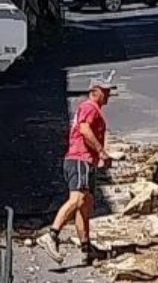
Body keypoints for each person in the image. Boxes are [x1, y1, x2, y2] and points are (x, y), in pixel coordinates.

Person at [37, 79, 115, 264]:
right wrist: (101, 151)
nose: (109, 95)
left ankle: (86, 247)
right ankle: (52, 235)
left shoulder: (92, 109)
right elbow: (85, 129)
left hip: (85, 161)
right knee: (78, 199)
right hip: (80, 159)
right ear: (95, 91)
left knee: (85, 205)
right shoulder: (90, 107)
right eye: (105, 91)